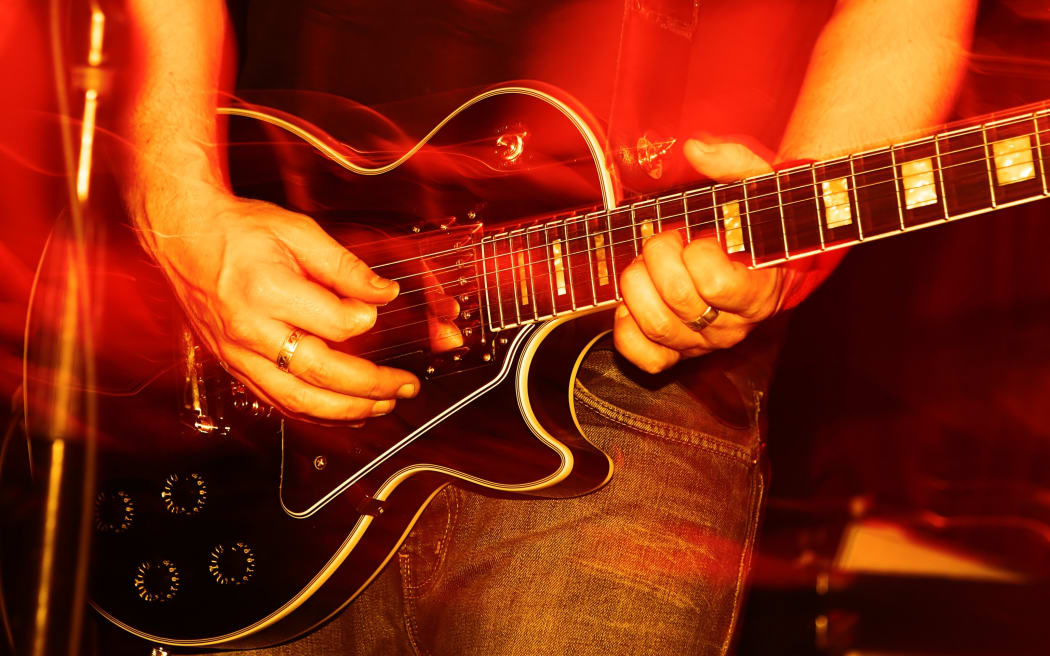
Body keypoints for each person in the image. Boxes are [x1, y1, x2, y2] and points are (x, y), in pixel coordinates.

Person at [112, 1, 977, 654]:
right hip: (264, 291)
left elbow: (906, 18)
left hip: (634, 361)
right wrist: (178, 202)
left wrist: (788, 252)